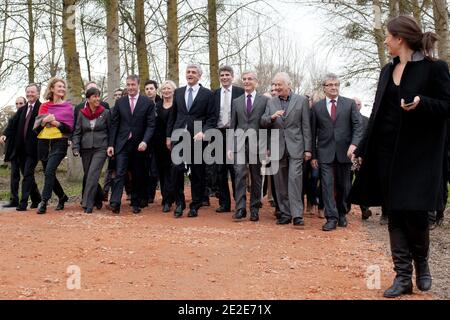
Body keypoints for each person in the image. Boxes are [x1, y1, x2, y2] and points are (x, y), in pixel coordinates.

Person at [350, 15, 450, 298]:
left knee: (416, 213)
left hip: (419, 157)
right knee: (393, 213)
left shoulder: (435, 69)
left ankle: (423, 265)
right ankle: (402, 276)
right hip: (386, 153)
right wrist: (362, 148)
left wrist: (423, 103)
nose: (385, 40)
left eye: (388, 36)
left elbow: (447, 105)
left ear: (400, 38)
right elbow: (378, 113)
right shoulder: (387, 70)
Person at [311, 73, 363, 231]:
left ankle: (341, 213)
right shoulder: (317, 107)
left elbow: (358, 126)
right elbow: (312, 133)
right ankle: (331, 218)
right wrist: (313, 155)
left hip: (345, 152)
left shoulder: (349, 104)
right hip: (325, 152)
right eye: (330, 85)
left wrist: (354, 145)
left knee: (344, 186)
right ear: (324, 88)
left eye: (336, 84)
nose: (334, 87)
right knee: (326, 185)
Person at [261, 72, 312, 226]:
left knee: (294, 180)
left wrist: (308, 149)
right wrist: (272, 117)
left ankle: (297, 215)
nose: (276, 87)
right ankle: (284, 213)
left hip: (296, 147)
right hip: (277, 148)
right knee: (280, 183)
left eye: (279, 84)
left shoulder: (301, 100)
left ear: (288, 85)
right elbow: (263, 122)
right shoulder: (271, 102)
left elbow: (306, 126)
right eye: (274, 85)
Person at [166, 64, 216, 218]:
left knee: (197, 172)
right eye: (188, 72)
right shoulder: (179, 92)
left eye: (193, 72)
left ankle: (195, 204)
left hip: (197, 137)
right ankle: (179, 203)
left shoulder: (207, 94)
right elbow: (173, 116)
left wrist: (205, 132)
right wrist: (169, 136)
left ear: (199, 76)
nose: (190, 74)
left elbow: (212, 118)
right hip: (179, 136)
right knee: (176, 169)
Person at [107, 75, 155, 214]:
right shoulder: (120, 102)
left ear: (138, 85)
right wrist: (111, 144)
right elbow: (114, 124)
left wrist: (145, 141)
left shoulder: (147, 102)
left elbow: (151, 125)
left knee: (137, 174)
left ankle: (135, 202)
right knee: (120, 173)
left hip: (139, 145)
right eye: (128, 85)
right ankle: (115, 203)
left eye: (133, 85)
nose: (130, 87)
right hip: (122, 144)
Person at [227, 71, 269, 222]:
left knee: (256, 177)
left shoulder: (264, 101)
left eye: (249, 79)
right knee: (239, 175)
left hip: (257, 145)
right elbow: (233, 124)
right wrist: (230, 146)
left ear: (256, 82)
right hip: (239, 144)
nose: (246, 81)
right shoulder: (237, 101)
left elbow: (267, 126)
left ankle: (255, 209)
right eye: (244, 79)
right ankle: (240, 209)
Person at [33, 78, 74, 214]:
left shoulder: (67, 107)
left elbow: (69, 128)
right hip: (43, 142)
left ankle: (44, 201)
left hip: (59, 141)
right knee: (48, 172)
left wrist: (56, 123)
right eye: (59, 86)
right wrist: (44, 120)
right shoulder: (44, 106)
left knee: (49, 171)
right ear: (52, 89)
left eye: (63, 86)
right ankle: (62, 197)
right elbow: (37, 127)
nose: (62, 89)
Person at [72, 88, 110, 213]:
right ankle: (98, 198)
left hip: (101, 147)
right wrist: (75, 147)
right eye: (94, 96)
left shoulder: (105, 112)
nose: (97, 99)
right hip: (86, 148)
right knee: (89, 175)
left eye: (98, 96)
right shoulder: (82, 113)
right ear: (88, 99)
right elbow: (77, 132)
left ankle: (87, 203)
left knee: (93, 174)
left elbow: (110, 131)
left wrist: (111, 146)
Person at [213, 65, 245, 213]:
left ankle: (239, 203)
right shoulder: (215, 94)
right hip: (219, 134)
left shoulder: (240, 92)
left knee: (236, 170)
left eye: (227, 75)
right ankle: (224, 203)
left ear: (232, 76)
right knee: (220, 170)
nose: (224, 77)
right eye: (222, 75)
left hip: (235, 133)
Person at [0, 96, 37, 209]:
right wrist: (4, 134)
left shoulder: (28, 115)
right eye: (16, 103)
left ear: (25, 104)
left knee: (27, 175)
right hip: (14, 151)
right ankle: (14, 200)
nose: (18, 105)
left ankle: (36, 198)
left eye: (21, 103)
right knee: (14, 176)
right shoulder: (15, 116)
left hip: (26, 151)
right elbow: (9, 127)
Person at [154, 80, 176, 212]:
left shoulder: (178, 105)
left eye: (169, 89)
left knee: (173, 171)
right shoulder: (156, 106)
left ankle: (172, 196)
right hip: (158, 142)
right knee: (162, 171)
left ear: (173, 91)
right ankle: (166, 198)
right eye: (164, 89)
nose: (166, 91)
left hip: (175, 141)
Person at [103, 88, 123, 201]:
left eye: (120, 94)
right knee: (111, 169)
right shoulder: (110, 111)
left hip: (125, 143)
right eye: (116, 95)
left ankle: (129, 192)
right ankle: (105, 192)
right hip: (113, 143)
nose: (118, 96)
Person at [143, 80, 161, 205]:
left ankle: (151, 194)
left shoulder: (162, 102)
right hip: (145, 141)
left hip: (159, 141)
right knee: (145, 168)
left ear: (156, 90)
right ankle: (146, 195)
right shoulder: (142, 103)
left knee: (155, 170)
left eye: (151, 88)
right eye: (147, 89)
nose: (149, 91)